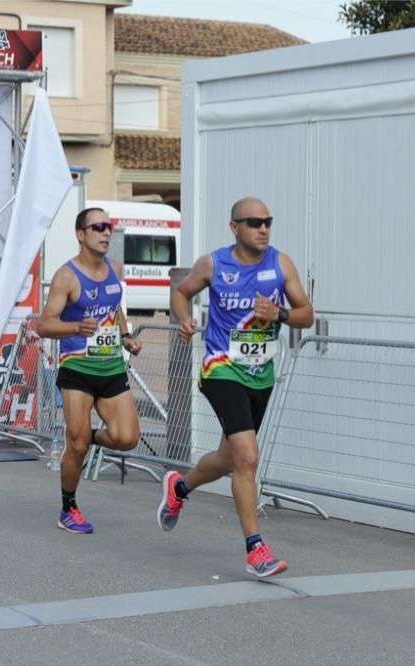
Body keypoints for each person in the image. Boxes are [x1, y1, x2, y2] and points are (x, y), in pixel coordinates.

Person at [160, 196, 314, 578]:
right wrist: (184, 319)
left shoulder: (280, 263)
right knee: (247, 457)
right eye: (253, 222)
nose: (263, 228)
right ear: (234, 227)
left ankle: (180, 487)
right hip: (221, 369)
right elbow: (181, 293)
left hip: (260, 373)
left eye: (267, 221)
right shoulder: (214, 263)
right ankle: (255, 549)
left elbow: (307, 315)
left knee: (229, 460)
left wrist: (278, 312)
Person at [37, 207, 143, 534]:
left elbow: (115, 308)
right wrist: (74, 327)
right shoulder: (66, 276)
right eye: (98, 227)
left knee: (128, 438)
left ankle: (82, 437)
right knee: (77, 446)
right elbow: (44, 324)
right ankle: (68, 507)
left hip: (110, 366)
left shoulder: (114, 268)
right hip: (78, 367)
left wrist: (125, 336)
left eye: (109, 227)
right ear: (81, 234)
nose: (106, 233)